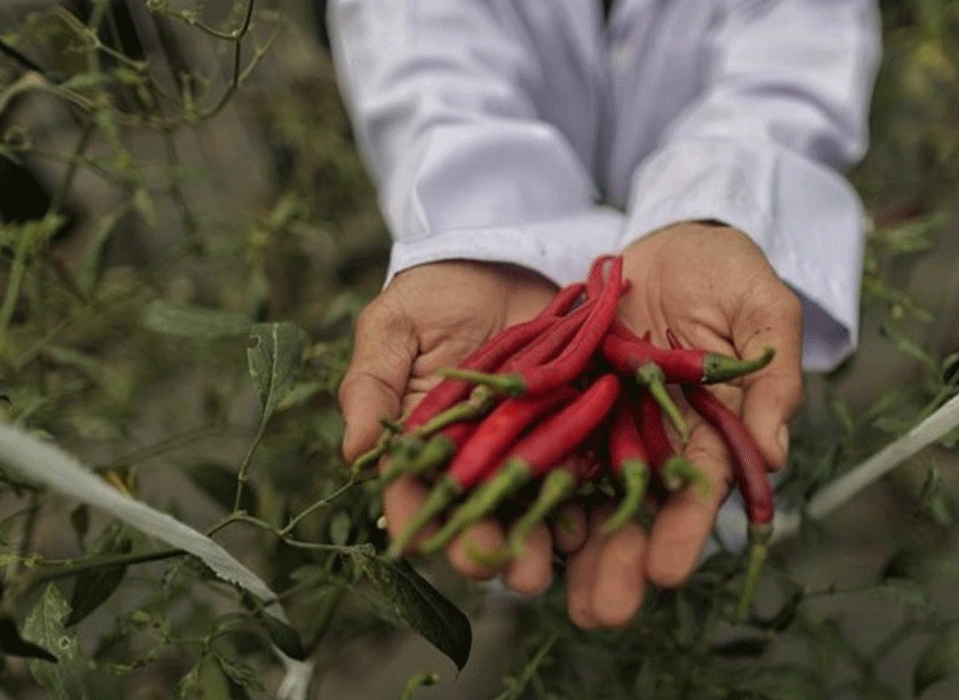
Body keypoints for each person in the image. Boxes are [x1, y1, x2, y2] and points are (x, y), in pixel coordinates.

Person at [327, 0, 881, 630]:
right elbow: (424, 47)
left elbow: (796, 56)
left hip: (705, 322)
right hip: (651, 334)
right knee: (544, 545)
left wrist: (715, 209)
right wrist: (481, 230)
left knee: (687, 528)